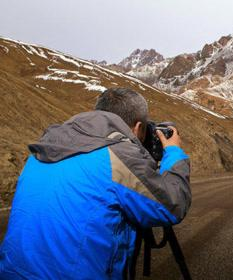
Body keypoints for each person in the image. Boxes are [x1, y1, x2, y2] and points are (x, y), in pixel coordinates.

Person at [0, 88, 191, 279]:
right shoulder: (118, 156)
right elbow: (172, 205)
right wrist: (173, 152)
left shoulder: (41, 150)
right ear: (137, 127)